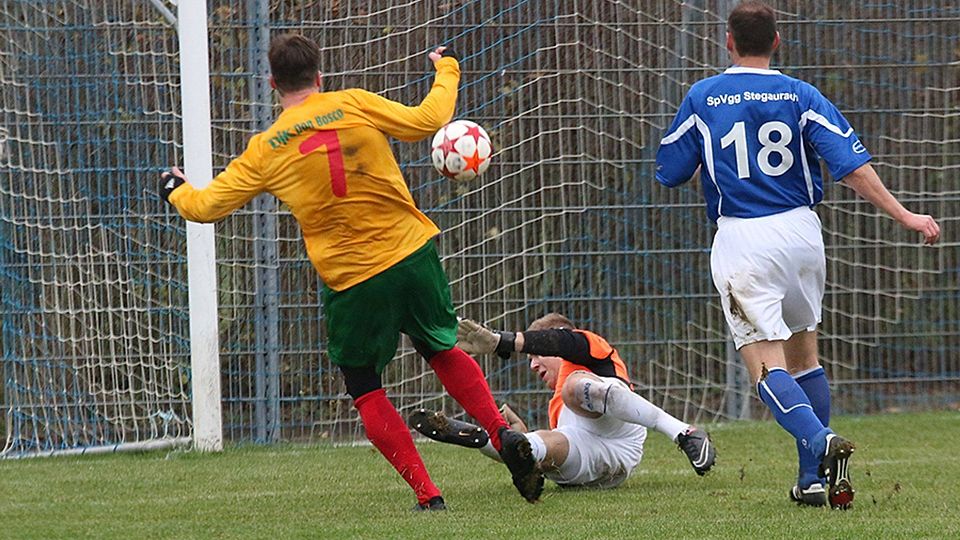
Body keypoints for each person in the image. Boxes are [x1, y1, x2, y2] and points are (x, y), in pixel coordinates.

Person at [159, 33, 544, 509]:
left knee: (365, 388)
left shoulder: (266, 149)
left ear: (272, 83)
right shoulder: (353, 104)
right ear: (319, 76)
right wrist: (447, 69)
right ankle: (502, 434)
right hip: (412, 254)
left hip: (354, 280)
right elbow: (429, 119)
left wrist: (175, 188)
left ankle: (429, 496)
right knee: (440, 347)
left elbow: (207, 207)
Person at [654, 1, 940, 510]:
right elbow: (851, 166)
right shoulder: (800, 94)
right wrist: (907, 217)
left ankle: (819, 439)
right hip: (803, 234)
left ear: (728, 42)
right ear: (777, 41)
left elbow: (671, 169)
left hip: (744, 239)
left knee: (765, 369)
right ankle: (811, 482)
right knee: (806, 357)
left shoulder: (702, 97)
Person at [410, 313, 716, 490]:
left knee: (574, 387)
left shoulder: (590, 350)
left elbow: (565, 341)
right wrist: (520, 440)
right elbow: (558, 451)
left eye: (536, 355)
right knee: (545, 444)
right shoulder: (554, 406)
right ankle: (492, 440)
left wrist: (503, 341)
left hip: (620, 428)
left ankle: (684, 432)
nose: (531, 365)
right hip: (601, 470)